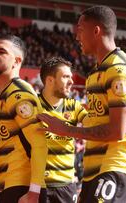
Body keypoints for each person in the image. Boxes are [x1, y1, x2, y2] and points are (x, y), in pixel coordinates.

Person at [37, 6, 126, 203]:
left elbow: (117, 131)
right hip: (94, 168)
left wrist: (66, 130)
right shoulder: (94, 73)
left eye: (80, 29)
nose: (76, 36)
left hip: (116, 164)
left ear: (96, 31)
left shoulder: (118, 69)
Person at [0, 35, 48, 203]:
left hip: (24, 187)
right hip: (7, 185)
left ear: (17, 61)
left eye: (1, 51)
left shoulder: (20, 94)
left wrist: (34, 191)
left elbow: (39, 143)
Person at [39, 57, 87, 203]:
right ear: (50, 80)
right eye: (66, 77)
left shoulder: (75, 106)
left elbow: (96, 125)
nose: (72, 82)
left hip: (66, 186)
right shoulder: (32, 106)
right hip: (37, 184)